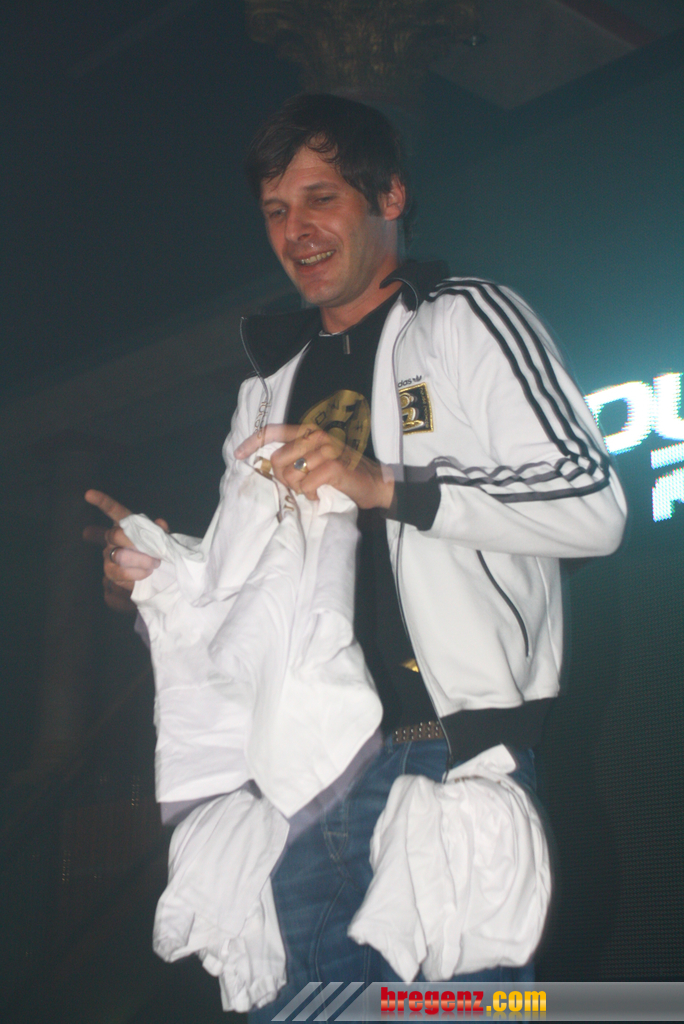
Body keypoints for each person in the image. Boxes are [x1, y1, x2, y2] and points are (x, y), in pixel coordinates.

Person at [86, 94, 626, 1015]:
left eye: (320, 198)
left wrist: (386, 486)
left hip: (445, 762)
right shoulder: (267, 387)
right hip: (302, 784)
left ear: (391, 196)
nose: (295, 230)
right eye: (275, 210)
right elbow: (254, 590)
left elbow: (591, 504)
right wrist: (156, 574)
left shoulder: (468, 319)